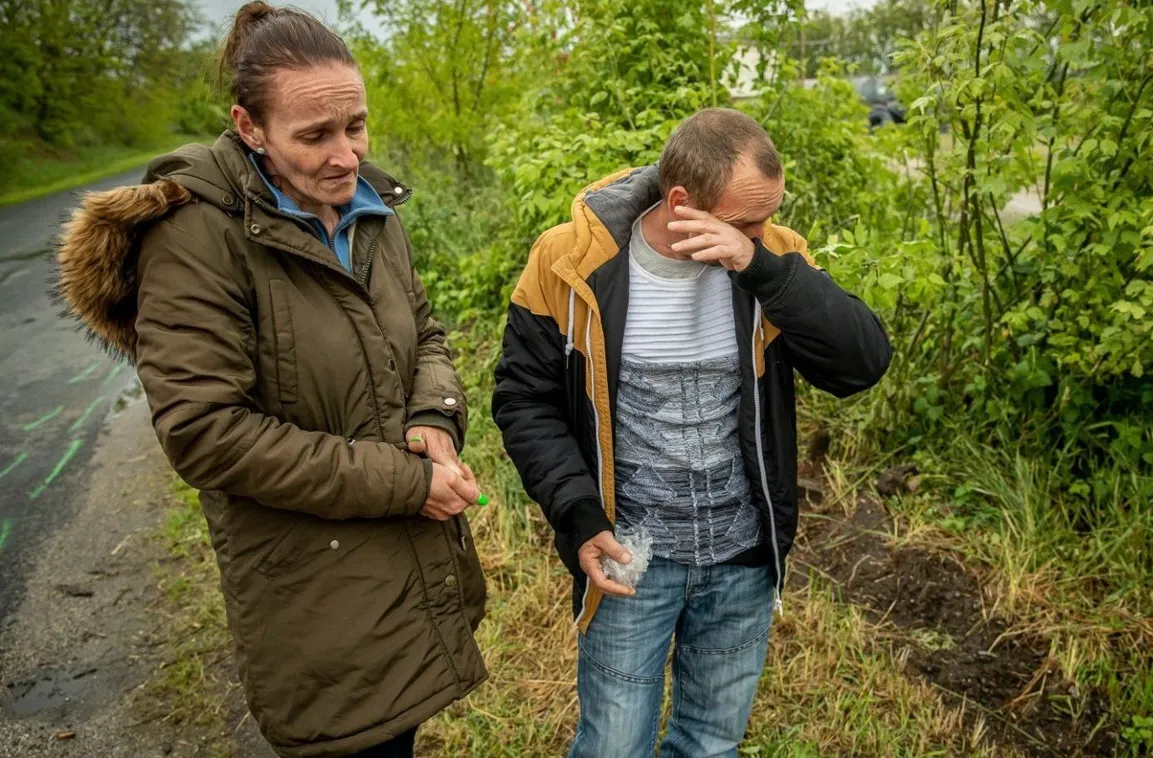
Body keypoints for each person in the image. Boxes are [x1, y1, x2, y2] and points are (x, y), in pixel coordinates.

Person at [54, 3, 487, 756]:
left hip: (408, 566)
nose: (345, 155)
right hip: (312, 589)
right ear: (249, 128)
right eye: (314, 135)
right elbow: (204, 433)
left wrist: (434, 418)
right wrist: (406, 483)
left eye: (355, 125)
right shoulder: (194, 237)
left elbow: (424, 334)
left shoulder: (371, 210)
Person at [492, 108, 892, 757]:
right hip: (630, 560)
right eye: (744, 223)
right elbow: (522, 399)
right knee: (613, 747)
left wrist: (757, 265)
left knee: (709, 745)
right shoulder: (570, 261)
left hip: (741, 559)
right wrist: (577, 513)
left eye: (767, 218)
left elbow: (861, 364)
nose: (761, 234)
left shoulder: (774, 256)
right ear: (681, 202)